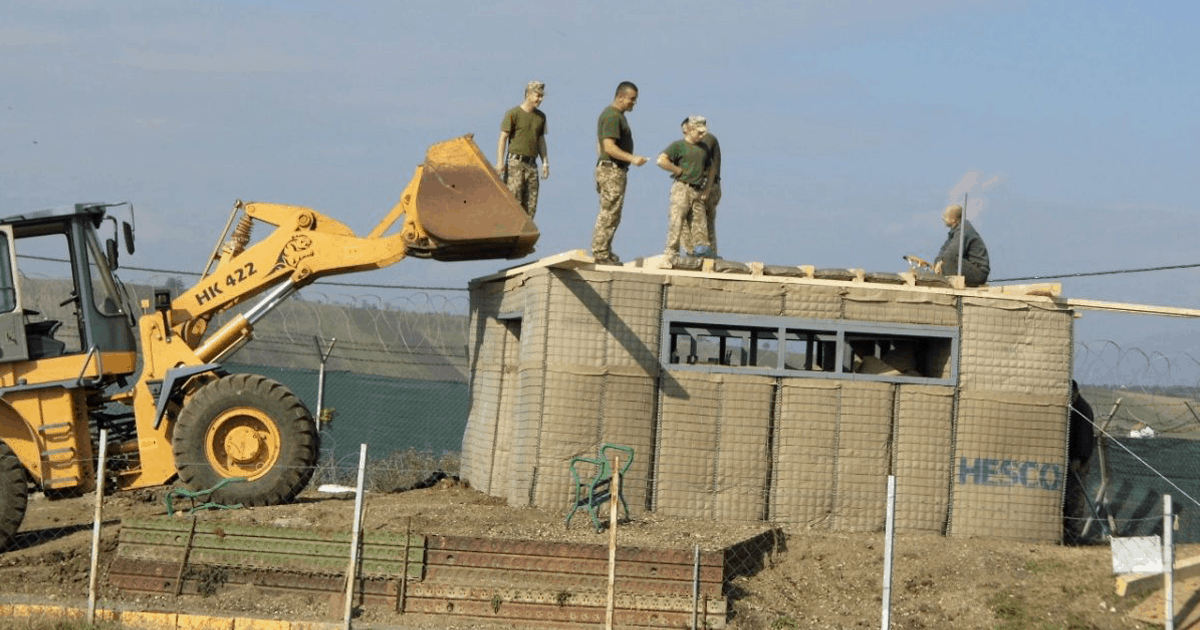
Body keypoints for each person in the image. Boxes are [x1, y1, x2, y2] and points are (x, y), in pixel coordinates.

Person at [590, 81, 649, 265]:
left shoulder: (616, 116)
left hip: (612, 169)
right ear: (620, 96)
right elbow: (608, 146)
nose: (633, 103)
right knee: (609, 212)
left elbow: (600, 146)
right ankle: (600, 253)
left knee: (613, 212)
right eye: (631, 99)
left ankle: (605, 250)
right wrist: (632, 158)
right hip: (612, 170)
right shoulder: (612, 116)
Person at [656, 117, 709, 267]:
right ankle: (671, 251)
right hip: (682, 187)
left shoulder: (704, 148)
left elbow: (709, 169)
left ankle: (697, 252)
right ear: (690, 130)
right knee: (677, 220)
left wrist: (707, 187)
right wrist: (677, 170)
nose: (701, 136)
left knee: (699, 222)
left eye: (703, 133)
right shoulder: (679, 146)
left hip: (697, 189)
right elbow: (661, 160)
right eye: (699, 132)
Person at [496, 80, 549, 218]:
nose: (540, 99)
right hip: (515, 164)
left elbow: (541, 140)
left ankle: (525, 237)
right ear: (529, 94)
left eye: (541, 96)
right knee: (513, 204)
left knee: (531, 206)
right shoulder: (513, 114)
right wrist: (500, 162)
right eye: (538, 95)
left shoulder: (541, 117)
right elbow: (503, 138)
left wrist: (545, 162)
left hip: (532, 165)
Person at [680, 115, 721, 259]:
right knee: (707, 221)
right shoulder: (710, 139)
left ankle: (698, 250)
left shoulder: (705, 140)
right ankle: (710, 253)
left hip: (704, 185)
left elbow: (699, 162)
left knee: (693, 217)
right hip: (712, 185)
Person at [933, 203, 990, 286]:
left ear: (953, 218)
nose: (943, 218)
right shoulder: (954, 231)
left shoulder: (964, 229)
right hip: (969, 267)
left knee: (947, 260)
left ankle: (947, 283)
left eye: (946, 216)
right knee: (941, 260)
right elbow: (944, 250)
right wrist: (937, 262)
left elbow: (952, 252)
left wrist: (941, 263)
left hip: (979, 272)